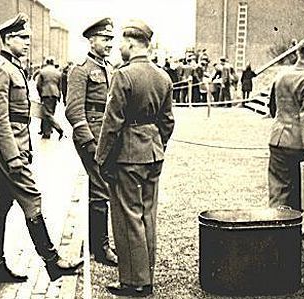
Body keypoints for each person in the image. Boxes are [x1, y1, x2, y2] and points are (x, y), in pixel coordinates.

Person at [0, 13, 82, 283]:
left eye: (27, 37)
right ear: (8, 39)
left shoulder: (13, 67)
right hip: (6, 147)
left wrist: (52, 122)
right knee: (32, 197)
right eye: (22, 38)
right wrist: (13, 157)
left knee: (0, 204)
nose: (28, 42)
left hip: (13, 143)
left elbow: (22, 109)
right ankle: (52, 262)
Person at [95, 19, 175, 297]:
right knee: (147, 215)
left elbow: (112, 122)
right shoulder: (163, 76)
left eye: (122, 43)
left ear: (131, 44)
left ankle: (135, 282)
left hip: (128, 155)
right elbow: (167, 122)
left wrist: (102, 158)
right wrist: (155, 143)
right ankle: (146, 276)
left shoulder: (123, 75)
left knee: (128, 217)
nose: (119, 47)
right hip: (153, 153)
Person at [65, 17, 118, 266]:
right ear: (91, 40)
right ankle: (101, 247)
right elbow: (74, 111)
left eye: (111, 39)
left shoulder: (108, 67)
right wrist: (88, 141)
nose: (109, 43)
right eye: (105, 39)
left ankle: (97, 242)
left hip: (105, 134)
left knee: (101, 186)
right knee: (100, 187)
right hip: (91, 136)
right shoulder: (81, 68)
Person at [268, 39, 304, 213]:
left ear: (299, 54)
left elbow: (272, 107)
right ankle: (291, 228)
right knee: (296, 188)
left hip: (277, 138)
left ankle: (274, 224)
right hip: (296, 142)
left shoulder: (282, 75)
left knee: (278, 187)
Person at [35, 56, 64, 140]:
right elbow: (60, 85)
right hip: (55, 94)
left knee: (47, 114)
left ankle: (58, 129)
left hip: (46, 94)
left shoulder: (42, 72)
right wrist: (59, 95)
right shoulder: (57, 72)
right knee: (50, 113)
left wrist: (41, 94)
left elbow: (38, 85)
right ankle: (46, 131)